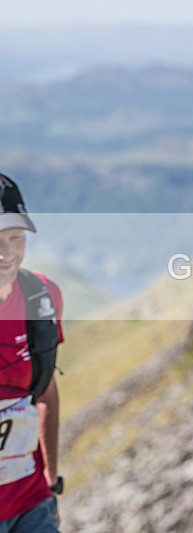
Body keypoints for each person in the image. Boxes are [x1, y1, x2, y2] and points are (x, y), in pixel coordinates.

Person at [0, 175, 64, 532]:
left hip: (32, 503)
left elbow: (45, 390)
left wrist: (51, 480)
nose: (7, 253)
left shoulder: (42, 297)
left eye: (16, 237)